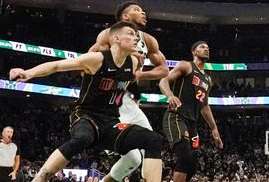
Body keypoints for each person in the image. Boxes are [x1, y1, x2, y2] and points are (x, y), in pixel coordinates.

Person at [8, 21, 163, 182]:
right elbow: (57, 65)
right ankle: (40, 178)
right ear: (116, 38)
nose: (136, 39)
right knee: (83, 138)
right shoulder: (97, 59)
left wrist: (136, 95)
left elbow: (132, 80)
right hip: (86, 115)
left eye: (137, 36)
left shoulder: (133, 62)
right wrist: (28, 73)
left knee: (154, 139)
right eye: (131, 34)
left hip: (111, 122)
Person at [88, 2, 169, 182]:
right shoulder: (109, 35)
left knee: (148, 147)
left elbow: (164, 70)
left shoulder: (148, 40)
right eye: (137, 10)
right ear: (125, 17)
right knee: (131, 156)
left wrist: (139, 74)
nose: (143, 12)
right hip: (108, 100)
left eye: (143, 9)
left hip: (130, 100)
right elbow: (88, 64)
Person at [159, 41, 223, 182]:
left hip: (192, 123)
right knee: (185, 156)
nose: (206, 49)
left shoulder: (207, 79)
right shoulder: (186, 65)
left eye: (207, 47)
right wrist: (169, 95)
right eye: (202, 47)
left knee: (193, 165)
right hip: (176, 116)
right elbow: (163, 81)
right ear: (194, 52)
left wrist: (214, 128)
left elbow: (204, 106)